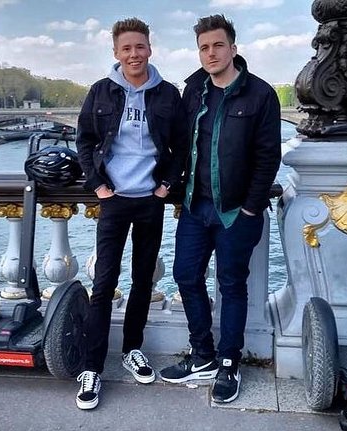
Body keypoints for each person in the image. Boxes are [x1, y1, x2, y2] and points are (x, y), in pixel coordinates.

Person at [159, 14, 281, 404]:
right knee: (185, 275)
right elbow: (180, 145)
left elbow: (267, 157)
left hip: (235, 213)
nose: (210, 53)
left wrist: (250, 209)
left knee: (231, 286)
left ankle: (229, 361)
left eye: (217, 45)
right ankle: (203, 354)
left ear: (233, 47)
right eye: (203, 47)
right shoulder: (193, 90)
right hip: (196, 206)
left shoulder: (260, 95)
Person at [75, 17, 188, 410]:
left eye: (140, 47)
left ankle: (132, 348)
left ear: (150, 49)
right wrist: (98, 186)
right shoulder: (101, 91)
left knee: (143, 279)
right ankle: (91, 367)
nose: (134, 54)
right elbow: (85, 140)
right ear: (116, 53)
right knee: (104, 282)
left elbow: (181, 146)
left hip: (149, 201)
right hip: (115, 199)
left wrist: (165, 187)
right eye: (126, 48)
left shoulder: (167, 95)